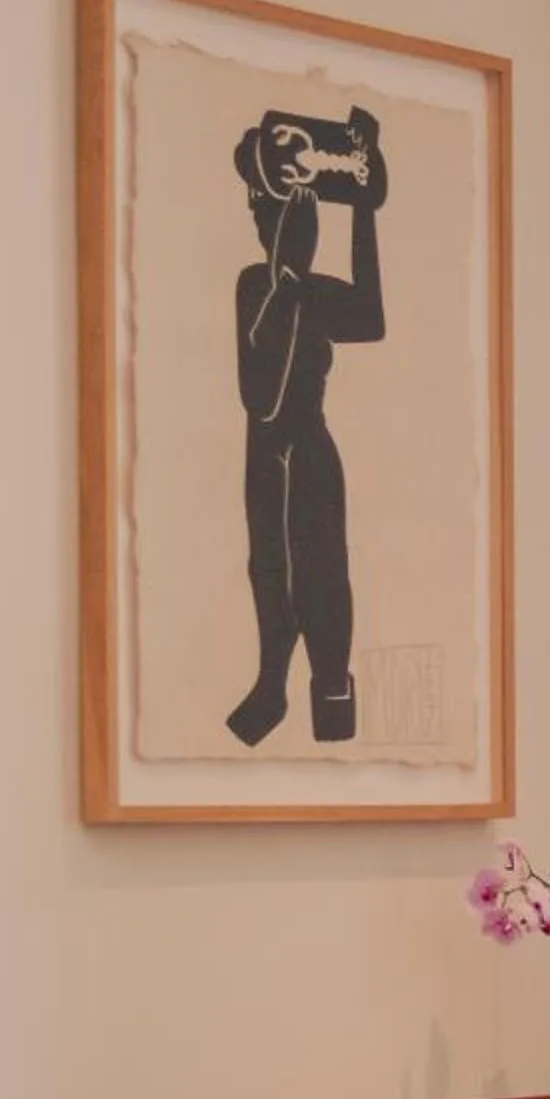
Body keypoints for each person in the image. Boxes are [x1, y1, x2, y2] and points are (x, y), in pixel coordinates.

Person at [227, 106, 386, 749]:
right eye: (279, 211)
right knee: (270, 568)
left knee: (326, 574)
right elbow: (260, 394)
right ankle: (273, 683)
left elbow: (371, 318)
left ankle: (332, 694)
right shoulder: (255, 289)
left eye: (300, 212)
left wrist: (365, 211)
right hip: (269, 453)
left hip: (312, 453)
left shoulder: (313, 294)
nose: (292, 224)